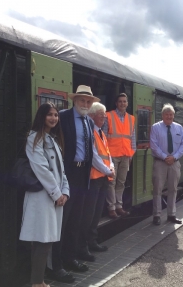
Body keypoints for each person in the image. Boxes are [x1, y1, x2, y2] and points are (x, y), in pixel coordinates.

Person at [47, 85, 100, 283]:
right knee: (61, 221)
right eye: (82, 101)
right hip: (66, 174)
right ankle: (56, 266)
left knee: (76, 221)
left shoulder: (88, 121)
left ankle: (70, 258)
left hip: (82, 174)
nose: (85, 104)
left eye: (88, 102)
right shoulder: (62, 117)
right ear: (74, 101)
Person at [19, 102, 69, 287]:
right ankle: (37, 283)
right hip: (41, 198)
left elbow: (61, 171)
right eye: (50, 114)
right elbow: (41, 169)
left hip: (53, 197)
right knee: (42, 241)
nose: (54, 118)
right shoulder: (34, 139)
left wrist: (65, 191)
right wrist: (57, 194)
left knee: (45, 240)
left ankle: (38, 281)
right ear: (42, 116)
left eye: (56, 115)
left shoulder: (52, 139)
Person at [79, 102, 115, 254]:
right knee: (89, 214)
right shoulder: (90, 133)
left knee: (97, 213)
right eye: (102, 115)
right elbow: (93, 157)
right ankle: (83, 246)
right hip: (94, 179)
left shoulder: (101, 133)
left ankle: (92, 241)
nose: (104, 118)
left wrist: (111, 167)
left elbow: (107, 154)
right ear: (92, 116)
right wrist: (108, 170)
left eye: (105, 115)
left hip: (103, 179)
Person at [150, 103, 183, 226]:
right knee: (157, 189)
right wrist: (165, 157)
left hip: (174, 163)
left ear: (173, 115)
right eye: (167, 114)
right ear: (162, 115)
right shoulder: (155, 127)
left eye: (171, 114)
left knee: (173, 189)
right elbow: (154, 146)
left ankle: (171, 215)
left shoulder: (179, 128)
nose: (169, 116)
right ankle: (157, 215)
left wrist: (174, 157)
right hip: (160, 162)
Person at [103, 93, 136, 219]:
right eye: (120, 101)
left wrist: (131, 154)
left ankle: (119, 206)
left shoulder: (131, 118)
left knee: (121, 182)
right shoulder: (109, 116)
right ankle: (111, 208)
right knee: (111, 182)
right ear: (116, 103)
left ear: (127, 103)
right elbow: (104, 137)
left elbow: (132, 138)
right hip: (112, 155)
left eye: (125, 101)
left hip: (126, 155)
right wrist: (106, 156)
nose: (122, 103)